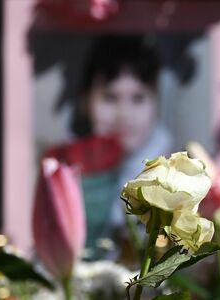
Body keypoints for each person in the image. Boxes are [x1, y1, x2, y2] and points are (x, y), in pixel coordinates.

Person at [43, 35, 172, 260]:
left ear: (156, 103)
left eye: (138, 98)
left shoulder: (172, 171)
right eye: (110, 97)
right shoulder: (68, 168)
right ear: (85, 101)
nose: (123, 113)